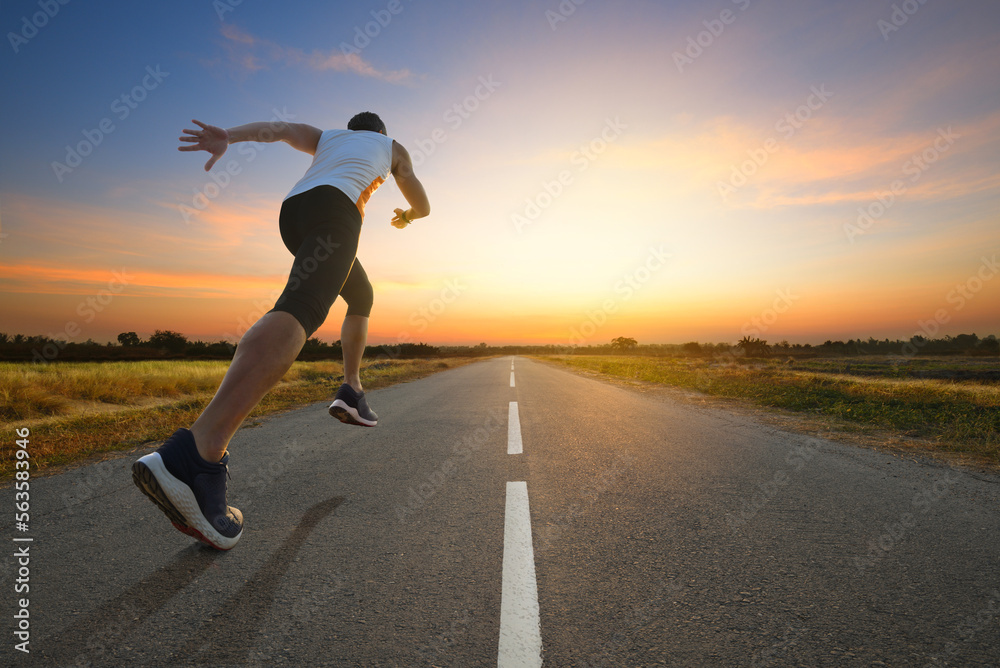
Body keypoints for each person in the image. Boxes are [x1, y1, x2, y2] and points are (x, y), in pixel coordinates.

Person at [131, 112, 430, 550]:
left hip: (295, 212)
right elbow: (422, 203)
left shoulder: (331, 137)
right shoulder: (392, 148)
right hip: (337, 212)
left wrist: (227, 136)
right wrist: (408, 215)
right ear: (380, 134)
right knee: (301, 308)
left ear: (352, 129)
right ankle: (196, 454)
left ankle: (351, 387)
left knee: (359, 294)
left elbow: (285, 129)